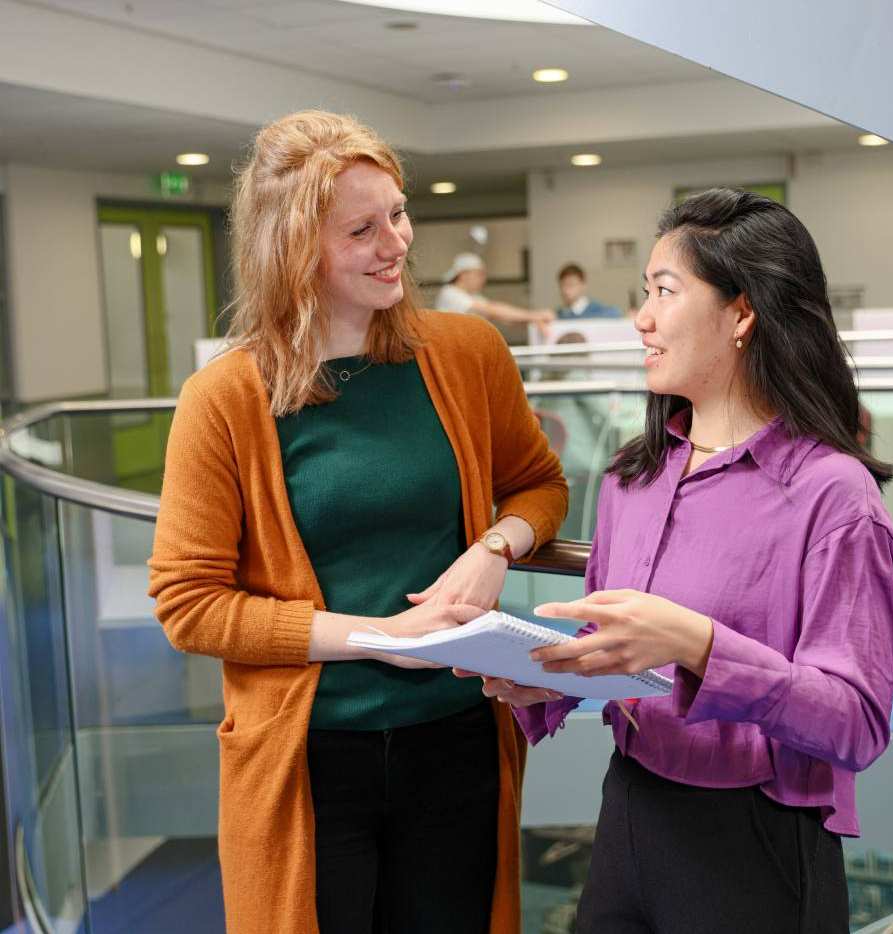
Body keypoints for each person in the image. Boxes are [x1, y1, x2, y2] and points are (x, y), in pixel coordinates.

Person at [148, 110, 567, 934]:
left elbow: (538, 487)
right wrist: (381, 637)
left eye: (399, 213)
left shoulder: (467, 352)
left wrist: (494, 545)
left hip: (455, 740)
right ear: (293, 248)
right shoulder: (225, 400)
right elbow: (188, 604)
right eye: (362, 229)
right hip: (307, 761)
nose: (396, 243)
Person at [470, 189, 893, 933]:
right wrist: (536, 677)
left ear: (741, 314)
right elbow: (614, 655)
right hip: (630, 810)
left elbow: (855, 724)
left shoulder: (832, 494)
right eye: (643, 292)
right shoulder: (631, 477)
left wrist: (697, 645)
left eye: (663, 292)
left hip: (759, 839)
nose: (641, 318)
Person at [435, 251, 554, 336]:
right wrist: (534, 315)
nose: (483, 279)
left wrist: (533, 321)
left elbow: (504, 317)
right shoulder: (449, 293)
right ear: (463, 275)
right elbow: (493, 310)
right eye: (479, 274)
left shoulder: (473, 297)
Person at [555, 263, 621, 319]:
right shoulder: (559, 314)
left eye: (571, 284)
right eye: (562, 285)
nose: (565, 290)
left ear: (583, 285)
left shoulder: (600, 311)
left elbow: (616, 314)